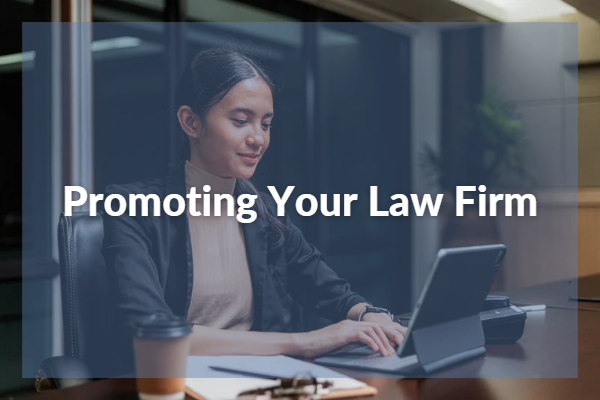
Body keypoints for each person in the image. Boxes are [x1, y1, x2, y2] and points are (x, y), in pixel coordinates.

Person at [102, 48, 406, 374]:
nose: (258, 138)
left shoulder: (262, 210)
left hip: (261, 380)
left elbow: (328, 290)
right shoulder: (132, 208)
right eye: (241, 121)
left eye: (266, 124)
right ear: (191, 122)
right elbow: (154, 334)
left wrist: (368, 314)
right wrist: (304, 342)